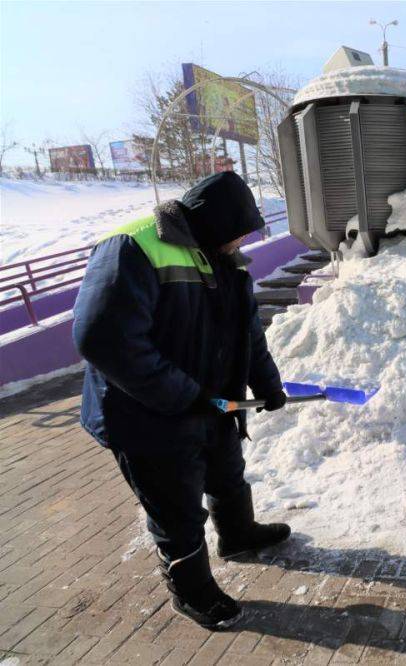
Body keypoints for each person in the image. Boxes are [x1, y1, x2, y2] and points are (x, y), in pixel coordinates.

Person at [73, 172, 290, 629]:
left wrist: (267, 383)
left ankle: (238, 535)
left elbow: (247, 331)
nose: (243, 240)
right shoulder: (133, 247)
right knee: (176, 507)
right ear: (213, 223)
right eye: (239, 230)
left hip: (209, 403)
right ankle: (191, 592)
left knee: (227, 471)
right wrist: (185, 396)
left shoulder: (224, 256)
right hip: (144, 412)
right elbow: (103, 339)